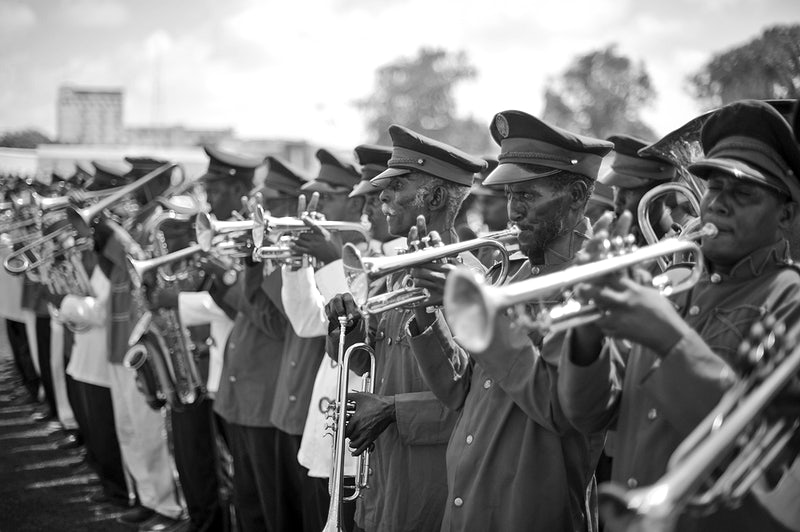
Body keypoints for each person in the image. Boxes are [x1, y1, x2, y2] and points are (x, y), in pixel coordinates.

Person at [554, 99, 800, 532]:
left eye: (743, 193)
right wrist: (588, 332)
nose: (719, 204)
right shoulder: (676, 283)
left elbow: (767, 451)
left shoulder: (789, 299)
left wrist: (667, 336)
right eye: (714, 188)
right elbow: (587, 414)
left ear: (786, 215)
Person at [406, 110, 613, 531]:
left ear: (576, 195)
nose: (513, 212)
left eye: (528, 196)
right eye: (509, 195)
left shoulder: (597, 283)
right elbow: (458, 392)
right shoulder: (516, 272)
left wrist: (475, 310)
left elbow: (559, 408)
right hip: (468, 509)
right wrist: (427, 309)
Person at [325, 125, 484, 532]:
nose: (381, 198)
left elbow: (477, 406)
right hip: (380, 488)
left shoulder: (474, 285)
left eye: (396, 187)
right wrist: (346, 325)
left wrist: (393, 410)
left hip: (430, 493)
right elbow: (363, 362)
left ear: (432, 198)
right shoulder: (396, 276)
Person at [211, 148, 292, 532]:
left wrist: (231, 279)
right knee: (247, 505)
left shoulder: (285, 254)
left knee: (266, 510)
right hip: (240, 396)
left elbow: (275, 323)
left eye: (271, 202)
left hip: (263, 400)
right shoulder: (264, 250)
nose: (262, 211)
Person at [600, 134, 676, 246]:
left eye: (629, 193)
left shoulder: (675, 246)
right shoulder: (626, 235)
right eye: (616, 188)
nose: (617, 201)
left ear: (660, 195)